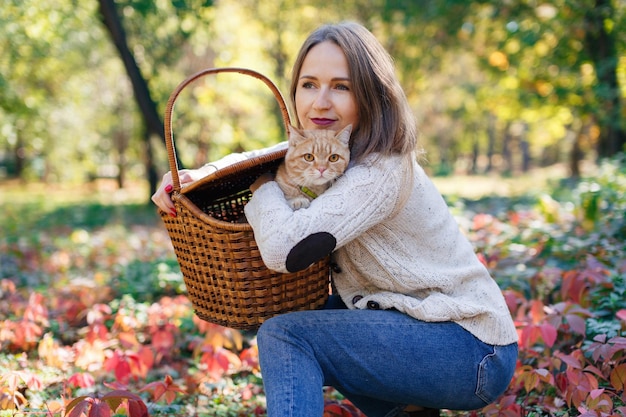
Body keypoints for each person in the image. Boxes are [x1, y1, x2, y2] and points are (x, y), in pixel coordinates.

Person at [152, 21, 518, 417]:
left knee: (286, 335)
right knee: (316, 317)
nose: (320, 102)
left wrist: (262, 190)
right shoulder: (338, 147)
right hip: (422, 326)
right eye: (309, 84)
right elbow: (269, 154)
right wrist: (194, 175)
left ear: (371, 93)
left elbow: (283, 249)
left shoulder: (380, 170)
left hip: (471, 348)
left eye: (340, 87)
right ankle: (409, 411)